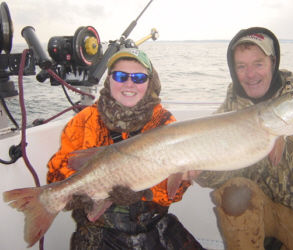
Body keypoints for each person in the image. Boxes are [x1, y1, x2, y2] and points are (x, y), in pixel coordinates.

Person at [195, 27, 293, 250]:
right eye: (241, 66)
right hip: (254, 213)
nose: (251, 74)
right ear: (233, 70)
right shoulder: (225, 116)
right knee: (235, 194)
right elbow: (214, 179)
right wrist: (200, 168)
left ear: (272, 62)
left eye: (258, 63)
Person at [47, 47, 204, 250]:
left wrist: (144, 193)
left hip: (150, 226)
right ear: (109, 80)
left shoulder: (163, 122)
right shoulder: (84, 121)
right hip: (98, 230)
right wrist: (85, 194)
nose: (129, 83)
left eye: (138, 77)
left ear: (150, 82)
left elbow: (171, 194)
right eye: (120, 76)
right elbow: (56, 174)